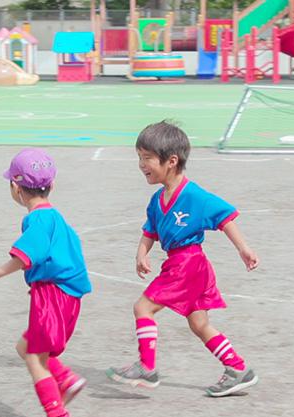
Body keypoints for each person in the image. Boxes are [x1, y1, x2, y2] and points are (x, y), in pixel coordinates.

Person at [105, 121, 261, 398]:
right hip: (185, 265)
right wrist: (142, 252)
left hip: (187, 264)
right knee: (199, 324)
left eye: (147, 158)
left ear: (171, 161)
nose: (141, 164)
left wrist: (243, 248)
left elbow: (225, 217)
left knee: (143, 308)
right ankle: (238, 369)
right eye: (139, 158)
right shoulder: (157, 200)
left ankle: (147, 367)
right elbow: (149, 230)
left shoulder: (194, 196)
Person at [0, 148, 92, 417]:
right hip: (67, 296)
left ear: (15, 188)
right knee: (24, 347)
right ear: (51, 185)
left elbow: (27, 254)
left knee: (34, 359)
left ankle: (57, 415)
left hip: (51, 296)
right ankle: (65, 379)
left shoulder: (38, 220)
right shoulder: (55, 216)